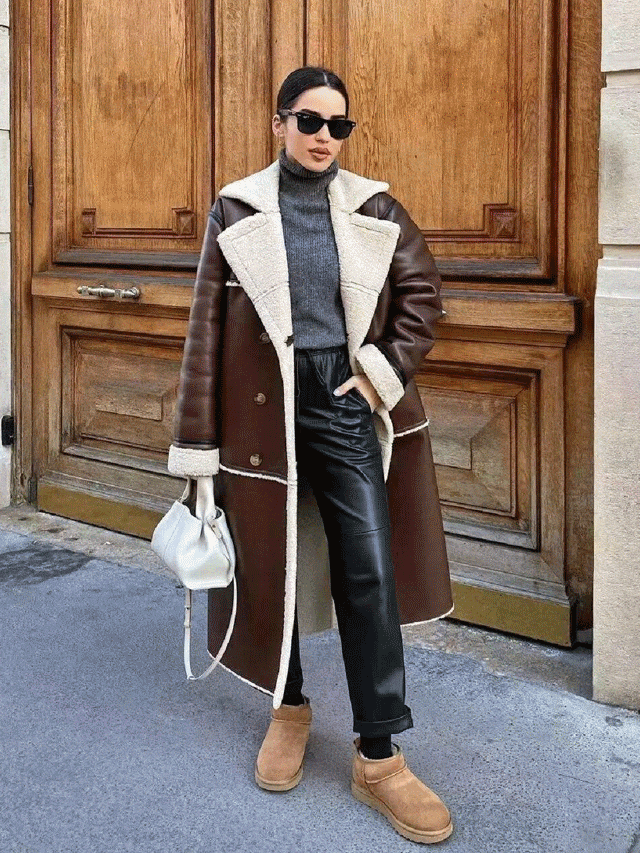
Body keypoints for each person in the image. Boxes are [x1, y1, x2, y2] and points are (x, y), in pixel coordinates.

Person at [168, 65, 455, 844]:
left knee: (368, 566)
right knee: (274, 561)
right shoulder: (236, 207)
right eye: (309, 121)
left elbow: (423, 294)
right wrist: (197, 445)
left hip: (342, 398)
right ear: (279, 123)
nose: (325, 137)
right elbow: (205, 332)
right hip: (260, 408)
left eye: (338, 125)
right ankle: (288, 707)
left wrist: (378, 373)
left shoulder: (375, 205)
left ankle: (379, 754)